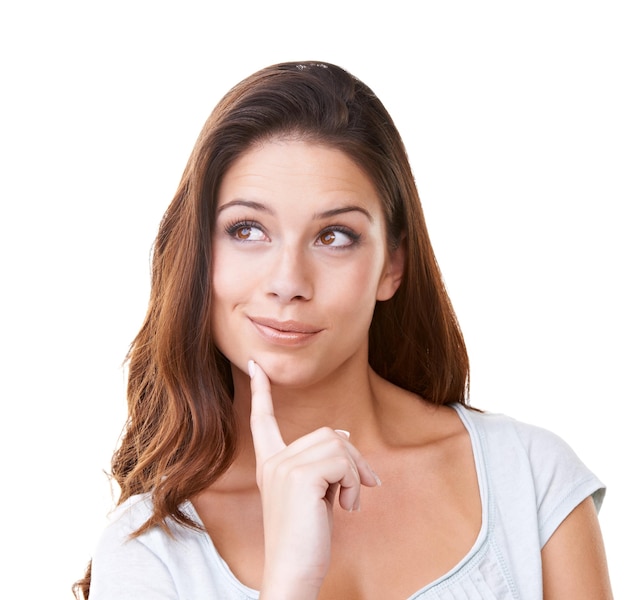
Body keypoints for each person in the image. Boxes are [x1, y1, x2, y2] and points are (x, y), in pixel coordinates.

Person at [74, 61, 613, 599]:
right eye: (247, 229)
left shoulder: (529, 478)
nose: (287, 282)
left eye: (334, 236)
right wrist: (288, 581)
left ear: (392, 265)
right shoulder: (146, 551)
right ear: (196, 254)